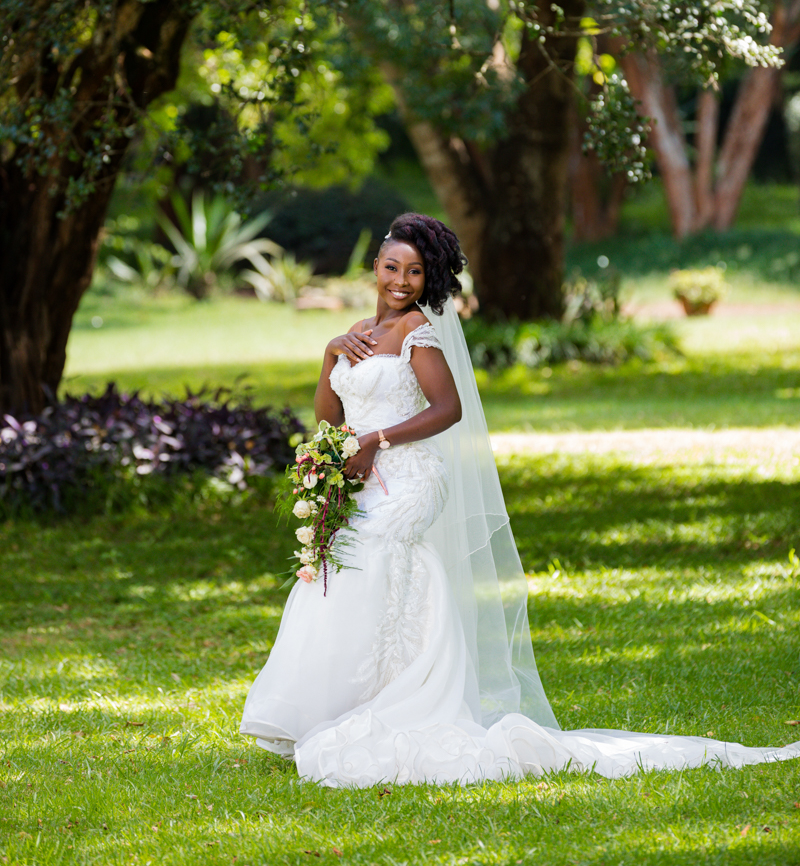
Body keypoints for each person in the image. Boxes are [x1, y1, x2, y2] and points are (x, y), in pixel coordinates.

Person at [240, 212, 800, 786]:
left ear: (428, 278)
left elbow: (447, 410)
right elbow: (330, 416)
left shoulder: (418, 332)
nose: (400, 281)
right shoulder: (356, 333)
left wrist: (377, 439)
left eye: (414, 271)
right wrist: (331, 353)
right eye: (391, 268)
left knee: (383, 554)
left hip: (409, 476)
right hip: (362, 478)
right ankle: (328, 708)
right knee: (342, 570)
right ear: (375, 268)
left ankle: (399, 698)